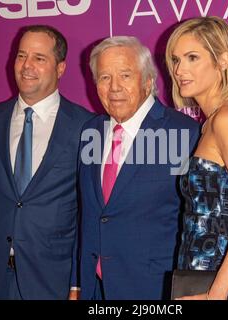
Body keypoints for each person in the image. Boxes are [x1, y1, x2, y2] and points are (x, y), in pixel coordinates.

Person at [0, 25, 94, 300]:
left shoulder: (86, 127)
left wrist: (77, 283)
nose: (27, 66)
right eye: (21, 55)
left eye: (39, 58)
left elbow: (87, 213)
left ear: (60, 68)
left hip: (54, 280)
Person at [72, 36, 200, 300]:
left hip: (154, 290)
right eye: (104, 77)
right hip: (94, 288)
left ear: (148, 81)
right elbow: (88, 215)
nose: (114, 87)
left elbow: (199, 222)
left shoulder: (183, 134)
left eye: (125, 75)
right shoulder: (91, 131)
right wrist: (77, 284)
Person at [165, 16, 228, 300]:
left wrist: (216, 294)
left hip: (213, 280)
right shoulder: (211, 122)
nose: (179, 69)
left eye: (192, 58)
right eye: (176, 59)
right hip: (198, 274)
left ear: (222, 61)